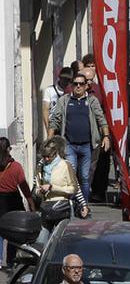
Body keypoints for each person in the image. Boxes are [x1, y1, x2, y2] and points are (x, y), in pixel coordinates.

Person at [45, 72, 109, 201]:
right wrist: (49, 139)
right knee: (72, 175)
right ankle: (72, 203)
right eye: (75, 84)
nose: (78, 86)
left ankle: (83, 205)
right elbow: (55, 120)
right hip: (69, 145)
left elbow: (101, 119)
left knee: (85, 176)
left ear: (86, 86)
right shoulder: (64, 100)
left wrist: (106, 136)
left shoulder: (92, 101)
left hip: (87, 145)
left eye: (81, 84)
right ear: (72, 86)